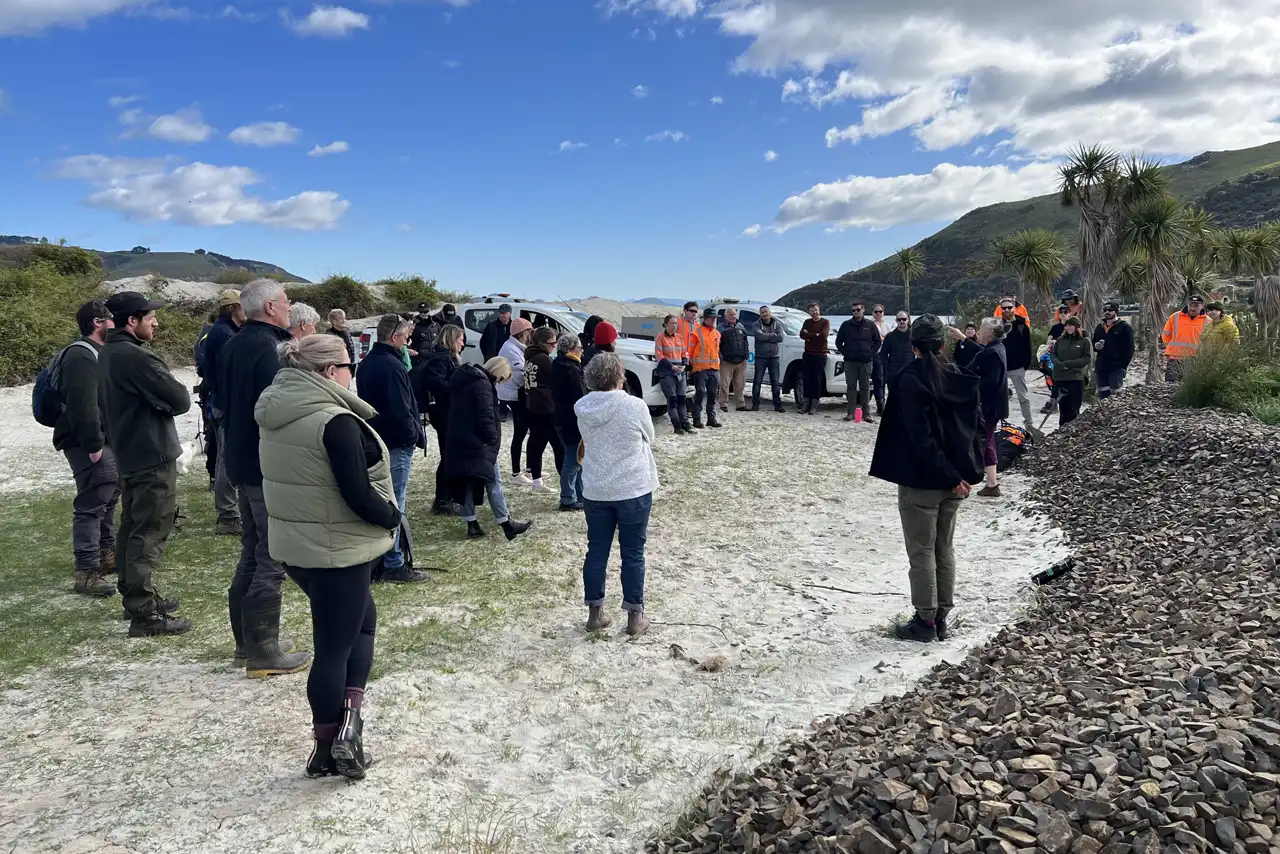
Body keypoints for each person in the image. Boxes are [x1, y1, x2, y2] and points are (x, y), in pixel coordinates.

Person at [254, 334, 401, 780]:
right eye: (346, 364)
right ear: (327, 372)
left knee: (362, 623)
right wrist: (392, 517)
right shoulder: (332, 420)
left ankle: (346, 731)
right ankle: (328, 746)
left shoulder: (277, 410)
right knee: (334, 647)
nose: (351, 372)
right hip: (336, 548)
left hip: (298, 546)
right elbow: (356, 492)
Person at [868, 315, 983, 644]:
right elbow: (977, 428)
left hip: (924, 480)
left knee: (922, 552)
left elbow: (922, 439)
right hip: (956, 480)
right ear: (943, 344)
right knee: (944, 549)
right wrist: (966, 475)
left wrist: (951, 475)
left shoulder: (909, 379)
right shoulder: (960, 376)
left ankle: (926, 621)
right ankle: (941, 616)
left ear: (913, 345)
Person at [219, 279, 312, 675]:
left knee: (251, 550)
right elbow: (280, 408)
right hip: (265, 464)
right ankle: (263, 652)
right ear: (272, 307)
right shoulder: (271, 348)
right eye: (287, 301)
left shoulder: (231, 343)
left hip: (240, 459)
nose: (290, 307)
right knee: (271, 556)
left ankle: (248, 642)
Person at [99, 291, 192, 637]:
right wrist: (162, 403)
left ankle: (136, 596)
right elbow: (180, 399)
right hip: (150, 454)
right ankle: (144, 612)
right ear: (131, 321)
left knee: (132, 526)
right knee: (148, 530)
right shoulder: (135, 357)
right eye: (149, 316)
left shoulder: (109, 352)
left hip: (131, 452)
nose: (156, 322)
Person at [574, 352, 660, 637]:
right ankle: (635, 616)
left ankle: (595, 612)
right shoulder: (634, 406)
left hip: (597, 488)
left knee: (597, 549)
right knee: (633, 552)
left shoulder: (582, 407)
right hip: (632, 487)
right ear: (618, 375)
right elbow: (650, 435)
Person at [53, 300, 119, 597]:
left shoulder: (93, 352)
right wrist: (94, 444)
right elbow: (83, 405)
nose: (115, 325)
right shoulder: (81, 356)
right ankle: (87, 572)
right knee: (92, 503)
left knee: (107, 498)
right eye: (111, 320)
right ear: (97, 323)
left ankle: (105, 555)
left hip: (99, 440)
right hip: (86, 443)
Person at [356, 314, 427, 583]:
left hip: (378, 440)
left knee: (383, 500)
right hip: (395, 442)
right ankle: (393, 562)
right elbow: (401, 409)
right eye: (406, 335)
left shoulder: (368, 363)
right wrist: (412, 435)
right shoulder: (391, 366)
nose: (408, 340)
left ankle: (379, 559)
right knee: (395, 502)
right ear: (395, 337)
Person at [445, 356, 533, 541]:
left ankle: (472, 523)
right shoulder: (483, 385)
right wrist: (492, 439)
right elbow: (485, 416)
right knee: (493, 481)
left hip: (460, 439)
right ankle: (506, 523)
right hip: (479, 443)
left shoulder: (466, 379)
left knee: (467, 484)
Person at [199, 288, 245, 536]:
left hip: (220, 403)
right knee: (227, 460)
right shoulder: (225, 334)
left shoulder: (222, 331)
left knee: (224, 459)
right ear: (234, 308)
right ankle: (228, 517)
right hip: (225, 405)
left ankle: (229, 513)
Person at [418, 324, 465, 515]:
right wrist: (456, 385)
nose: (463, 343)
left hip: (448, 412)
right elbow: (436, 383)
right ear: (452, 340)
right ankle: (442, 500)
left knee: (451, 455)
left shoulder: (448, 358)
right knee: (448, 456)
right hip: (444, 413)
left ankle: (449, 497)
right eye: (460, 339)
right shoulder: (441, 359)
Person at [962, 318, 1008, 498]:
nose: (978, 332)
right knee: (987, 443)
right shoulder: (997, 348)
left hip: (988, 406)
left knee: (979, 443)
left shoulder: (992, 352)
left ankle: (965, 483)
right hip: (993, 405)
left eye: (981, 329)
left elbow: (991, 381)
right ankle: (992, 483)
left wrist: (972, 386)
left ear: (989, 332)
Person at [523, 326, 563, 492]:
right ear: (543, 343)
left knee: (536, 444)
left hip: (533, 405)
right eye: (552, 343)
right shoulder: (544, 360)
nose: (554, 346)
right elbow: (556, 382)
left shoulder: (530, 357)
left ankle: (537, 481)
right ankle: (566, 482)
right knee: (559, 446)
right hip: (547, 408)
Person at [551, 334, 587, 510]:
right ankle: (567, 498)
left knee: (577, 459)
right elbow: (579, 398)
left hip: (560, 417)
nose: (582, 351)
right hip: (570, 420)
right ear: (571, 349)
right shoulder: (571, 369)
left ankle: (580, 495)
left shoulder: (558, 364)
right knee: (572, 461)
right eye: (580, 348)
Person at [498, 318, 534, 484]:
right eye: (529, 332)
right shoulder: (511, 349)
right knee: (519, 432)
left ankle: (529, 468)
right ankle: (516, 472)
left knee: (524, 431)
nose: (530, 336)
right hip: (513, 394)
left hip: (517, 393)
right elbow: (521, 374)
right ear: (523, 333)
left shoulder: (516, 347)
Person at [835, 300, 882, 422]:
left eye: (858, 310)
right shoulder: (846, 325)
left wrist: (872, 353)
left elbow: (877, 341)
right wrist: (845, 352)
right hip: (850, 361)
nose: (855, 312)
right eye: (853, 310)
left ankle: (866, 414)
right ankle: (850, 413)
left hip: (866, 361)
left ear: (863, 310)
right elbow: (838, 342)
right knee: (851, 387)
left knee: (865, 387)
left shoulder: (870, 325)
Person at [998, 299, 1035, 425]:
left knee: (1023, 396)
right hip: (1001, 366)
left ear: (1014, 308)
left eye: (1009, 307)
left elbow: (1027, 346)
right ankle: (1002, 423)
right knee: (1000, 397)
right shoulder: (998, 325)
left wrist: (1025, 365)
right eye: (1004, 308)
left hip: (1017, 367)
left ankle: (1029, 423)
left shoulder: (1021, 325)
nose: (1007, 310)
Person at [655, 314, 693, 433]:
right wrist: (672, 367)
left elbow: (685, 353)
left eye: (676, 323)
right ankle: (677, 425)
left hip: (680, 373)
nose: (674, 325)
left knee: (682, 398)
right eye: (672, 323)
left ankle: (685, 423)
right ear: (666, 324)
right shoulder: (660, 338)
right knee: (672, 399)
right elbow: (659, 356)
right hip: (667, 372)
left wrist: (684, 364)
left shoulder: (679, 338)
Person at [1051, 317, 1091, 426]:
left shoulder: (1084, 341)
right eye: (1066, 325)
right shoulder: (1060, 339)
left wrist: (1070, 364)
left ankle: (1072, 431)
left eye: (1070, 325)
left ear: (1076, 327)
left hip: (1075, 378)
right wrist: (1057, 363)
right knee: (1063, 407)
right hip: (1060, 377)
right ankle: (1061, 429)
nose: (1067, 327)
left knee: (1073, 408)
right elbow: (1053, 354)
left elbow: (1087, 359)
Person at [1091, 302, 1135, 399]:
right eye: (1105, 310)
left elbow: (1130, 349)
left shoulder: (1125, 327)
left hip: (1116, 368)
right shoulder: (1100, 327)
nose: (1107, 312)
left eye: (1110, 310)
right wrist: (1096, 346)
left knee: (1116, 397)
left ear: (1116, 311)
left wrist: (1123, 366)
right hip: (1101, 367)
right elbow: (1093, 342)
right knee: (1103, 396)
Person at [1162, 294, 1209, 382]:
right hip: (1175, 359)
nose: (1192, 308)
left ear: (1202, 306)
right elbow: (1165, 335)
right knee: (1170, 386)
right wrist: (1172, 349)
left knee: (1190, 387)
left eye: (1196, 305)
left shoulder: (1208, 321)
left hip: (1194, 360)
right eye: (1191, 304)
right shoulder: (1175, 317)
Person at [689, 307, 723, 428]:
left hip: (714, 369)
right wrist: (693, 367)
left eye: (714, 318)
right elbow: (690, 351)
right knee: (700, 394)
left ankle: (711, 419)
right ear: (705, 319)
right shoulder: (696, 333)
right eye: (711, 318)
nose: (713, 320)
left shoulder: (717, 333)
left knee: (713, 395)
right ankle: (696, 419)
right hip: (700, 369)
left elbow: (717, 351)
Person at [751, 305, 785, 413]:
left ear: (770, 313)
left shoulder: (778, 324)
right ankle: (755, 404)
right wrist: (772, 335)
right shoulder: (755, 324)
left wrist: (765, 335)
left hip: (774, 357)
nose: (765, 314)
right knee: (757, 381)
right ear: (760, 314)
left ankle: (777, 405)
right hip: (760, 357)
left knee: (775, 382)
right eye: (762, 312)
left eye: (766, 312)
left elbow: (780, 338)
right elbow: (759, 337)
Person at [798, 302, 830, 415]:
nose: (814, 312)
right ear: (809, 312)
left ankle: (814, 406)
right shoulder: (807, 322)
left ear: (819, 310)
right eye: (812, 311)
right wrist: (814, 335)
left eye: (815, 310)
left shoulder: (825, 322)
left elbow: (823, 336)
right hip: (808, 354)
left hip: (820, 354)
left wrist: (809, 335)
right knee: (807, 379)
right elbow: (802, 334)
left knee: (817, 380)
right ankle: (805, 404)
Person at [718, 308, 750, 413]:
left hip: (741, 361)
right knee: (725, 384)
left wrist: (746, 354)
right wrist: (721, 356)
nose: (733, 316)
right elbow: (717, 344)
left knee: (740, 384)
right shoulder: (720, 328)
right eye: (731, 315)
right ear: (726, 316)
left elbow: (745, 341)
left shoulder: (741, 326)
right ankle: (723, 404)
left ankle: (740, 404)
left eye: (734, 314)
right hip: (726, 361)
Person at [880, 311, 915, 395]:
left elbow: (920, 353)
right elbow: (883, 355)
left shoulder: (914, 336)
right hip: (893, 373)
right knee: (894, 399)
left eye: (904, 319)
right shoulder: (890, 337)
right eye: (899, 319)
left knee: (909, 398)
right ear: (896, 321)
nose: (902, 321)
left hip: (909, 372)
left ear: (908, 320)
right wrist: (888, 368)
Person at [872, 304, 894, 414]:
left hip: (887, 356)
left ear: (883, 313)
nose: (878, 314)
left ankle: (886, 405)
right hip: (876, 355)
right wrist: (884, 339)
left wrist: (883, 339)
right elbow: (878, 339)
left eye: (880, 311)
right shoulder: (871, 325)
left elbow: (891, 338)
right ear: (873, 313)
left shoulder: (887, 325)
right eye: (876, 312)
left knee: (886, 380)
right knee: (879, 381)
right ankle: (880, 407)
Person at [409, 302, 440, 368]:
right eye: (421, 311)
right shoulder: (413, 324)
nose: (423, 314)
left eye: (426, 311)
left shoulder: (436, 325)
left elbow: (441, 342)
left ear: (430, 310)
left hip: (432, 360)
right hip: (418, 361)